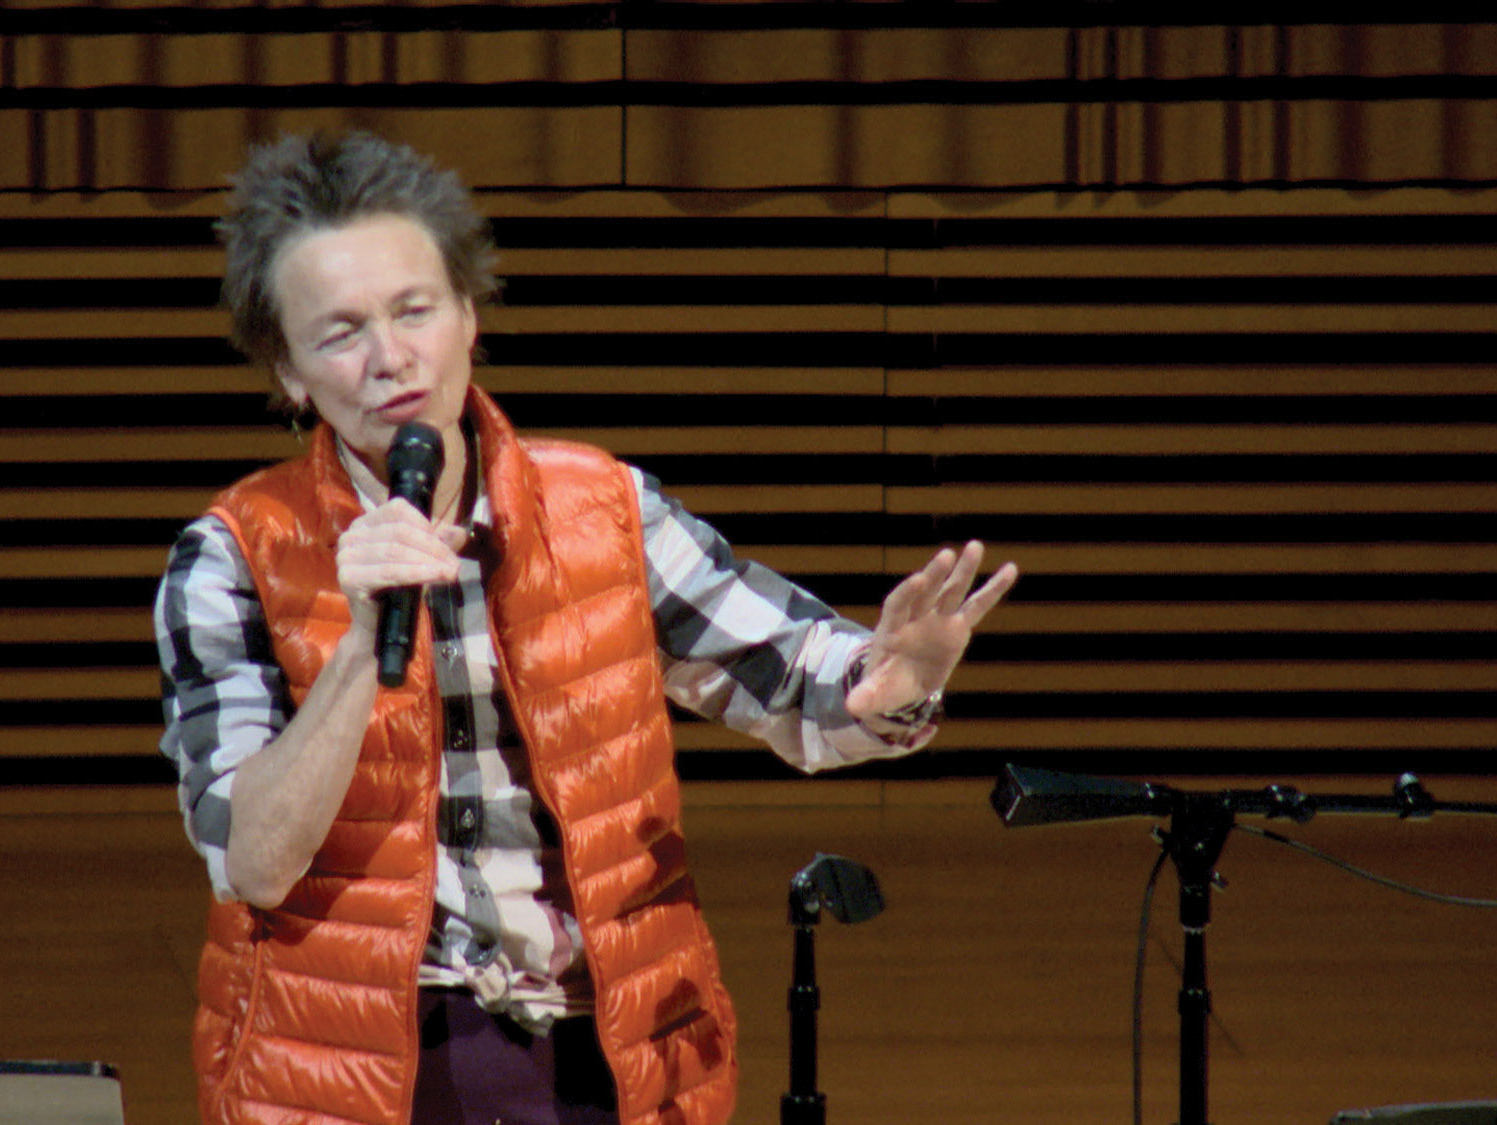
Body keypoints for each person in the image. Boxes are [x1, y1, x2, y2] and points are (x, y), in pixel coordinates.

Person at [155, 131, 1018, 1125]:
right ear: (291, 373)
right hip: (351, 1073)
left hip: (601, 1050)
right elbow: (252, 861)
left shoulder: (605, 509)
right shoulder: (229, 557)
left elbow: (802, 677)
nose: (389, 357)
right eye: (340, 333)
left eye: (413, 311)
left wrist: (886, 681)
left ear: (468, 316)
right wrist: (359, 647)